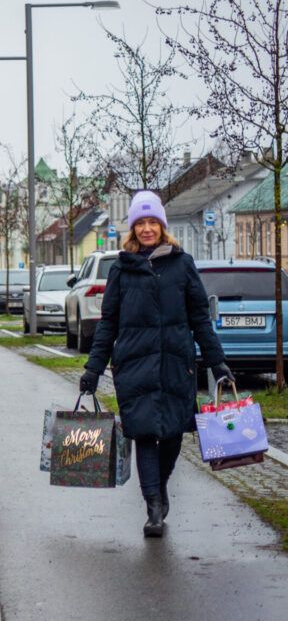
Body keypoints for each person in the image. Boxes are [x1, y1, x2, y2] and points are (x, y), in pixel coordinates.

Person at [79, 190, 232, 538]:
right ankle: (153, 509)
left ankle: (159, 485)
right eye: (140, 223)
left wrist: (217, 361)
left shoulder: (182, 264)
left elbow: (200, 318)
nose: (147, 228)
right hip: (134, 366)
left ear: (162, 226)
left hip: (176, 364)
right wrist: (93, 368)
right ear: (133, 229)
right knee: (145, 434)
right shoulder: (121, 269)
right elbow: (108, 324)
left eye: (152, 222)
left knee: (174, 434)